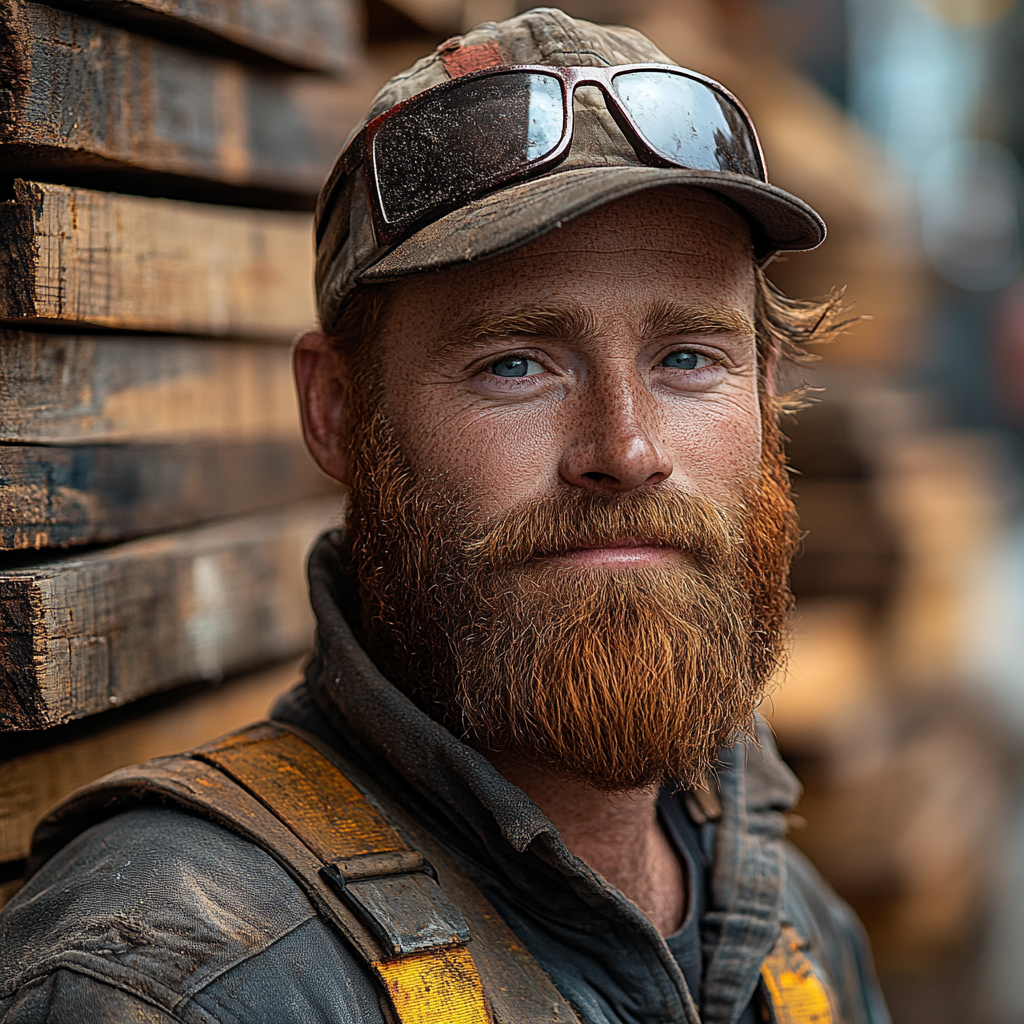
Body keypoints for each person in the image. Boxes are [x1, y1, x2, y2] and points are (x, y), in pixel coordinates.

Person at [0, 8, 890, 1024]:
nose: (627, 449)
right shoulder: (187, 983)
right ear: (338, 411)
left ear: (766, 391)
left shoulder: (790, 933)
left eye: (687, 357)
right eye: (515, 363)